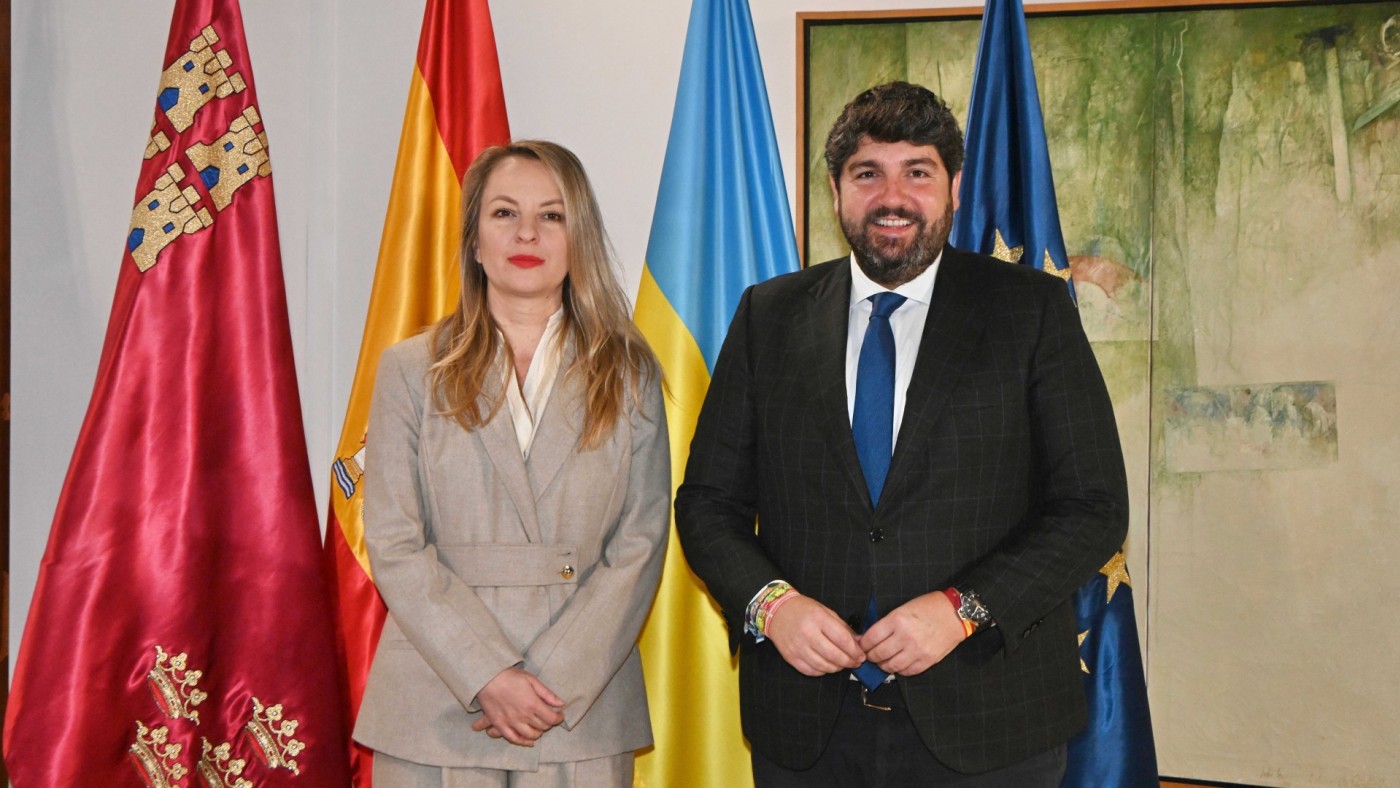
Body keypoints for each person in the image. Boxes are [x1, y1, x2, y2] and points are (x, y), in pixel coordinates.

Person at [675, 82, 1128, 786]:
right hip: (806, 724)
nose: (893, 197)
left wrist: (964, 609)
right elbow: (707, 503)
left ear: (952, 186)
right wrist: (773, 604)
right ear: (835, 191)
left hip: (990, 720)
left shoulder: (1029, 310)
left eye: (917, 171)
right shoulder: (770, 316)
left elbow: (1094, 504)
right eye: (867, 174)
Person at [354, 140, 670, 787]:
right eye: (504, 213)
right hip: (436, 697)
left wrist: (552, 679)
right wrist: (487, 672)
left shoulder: (630, 374)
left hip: (577, 704)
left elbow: (640, 543)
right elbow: (393, 541)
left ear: (577, 237)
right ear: (473, 240)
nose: (527, 232)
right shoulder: (410, 371)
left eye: (551, 216)